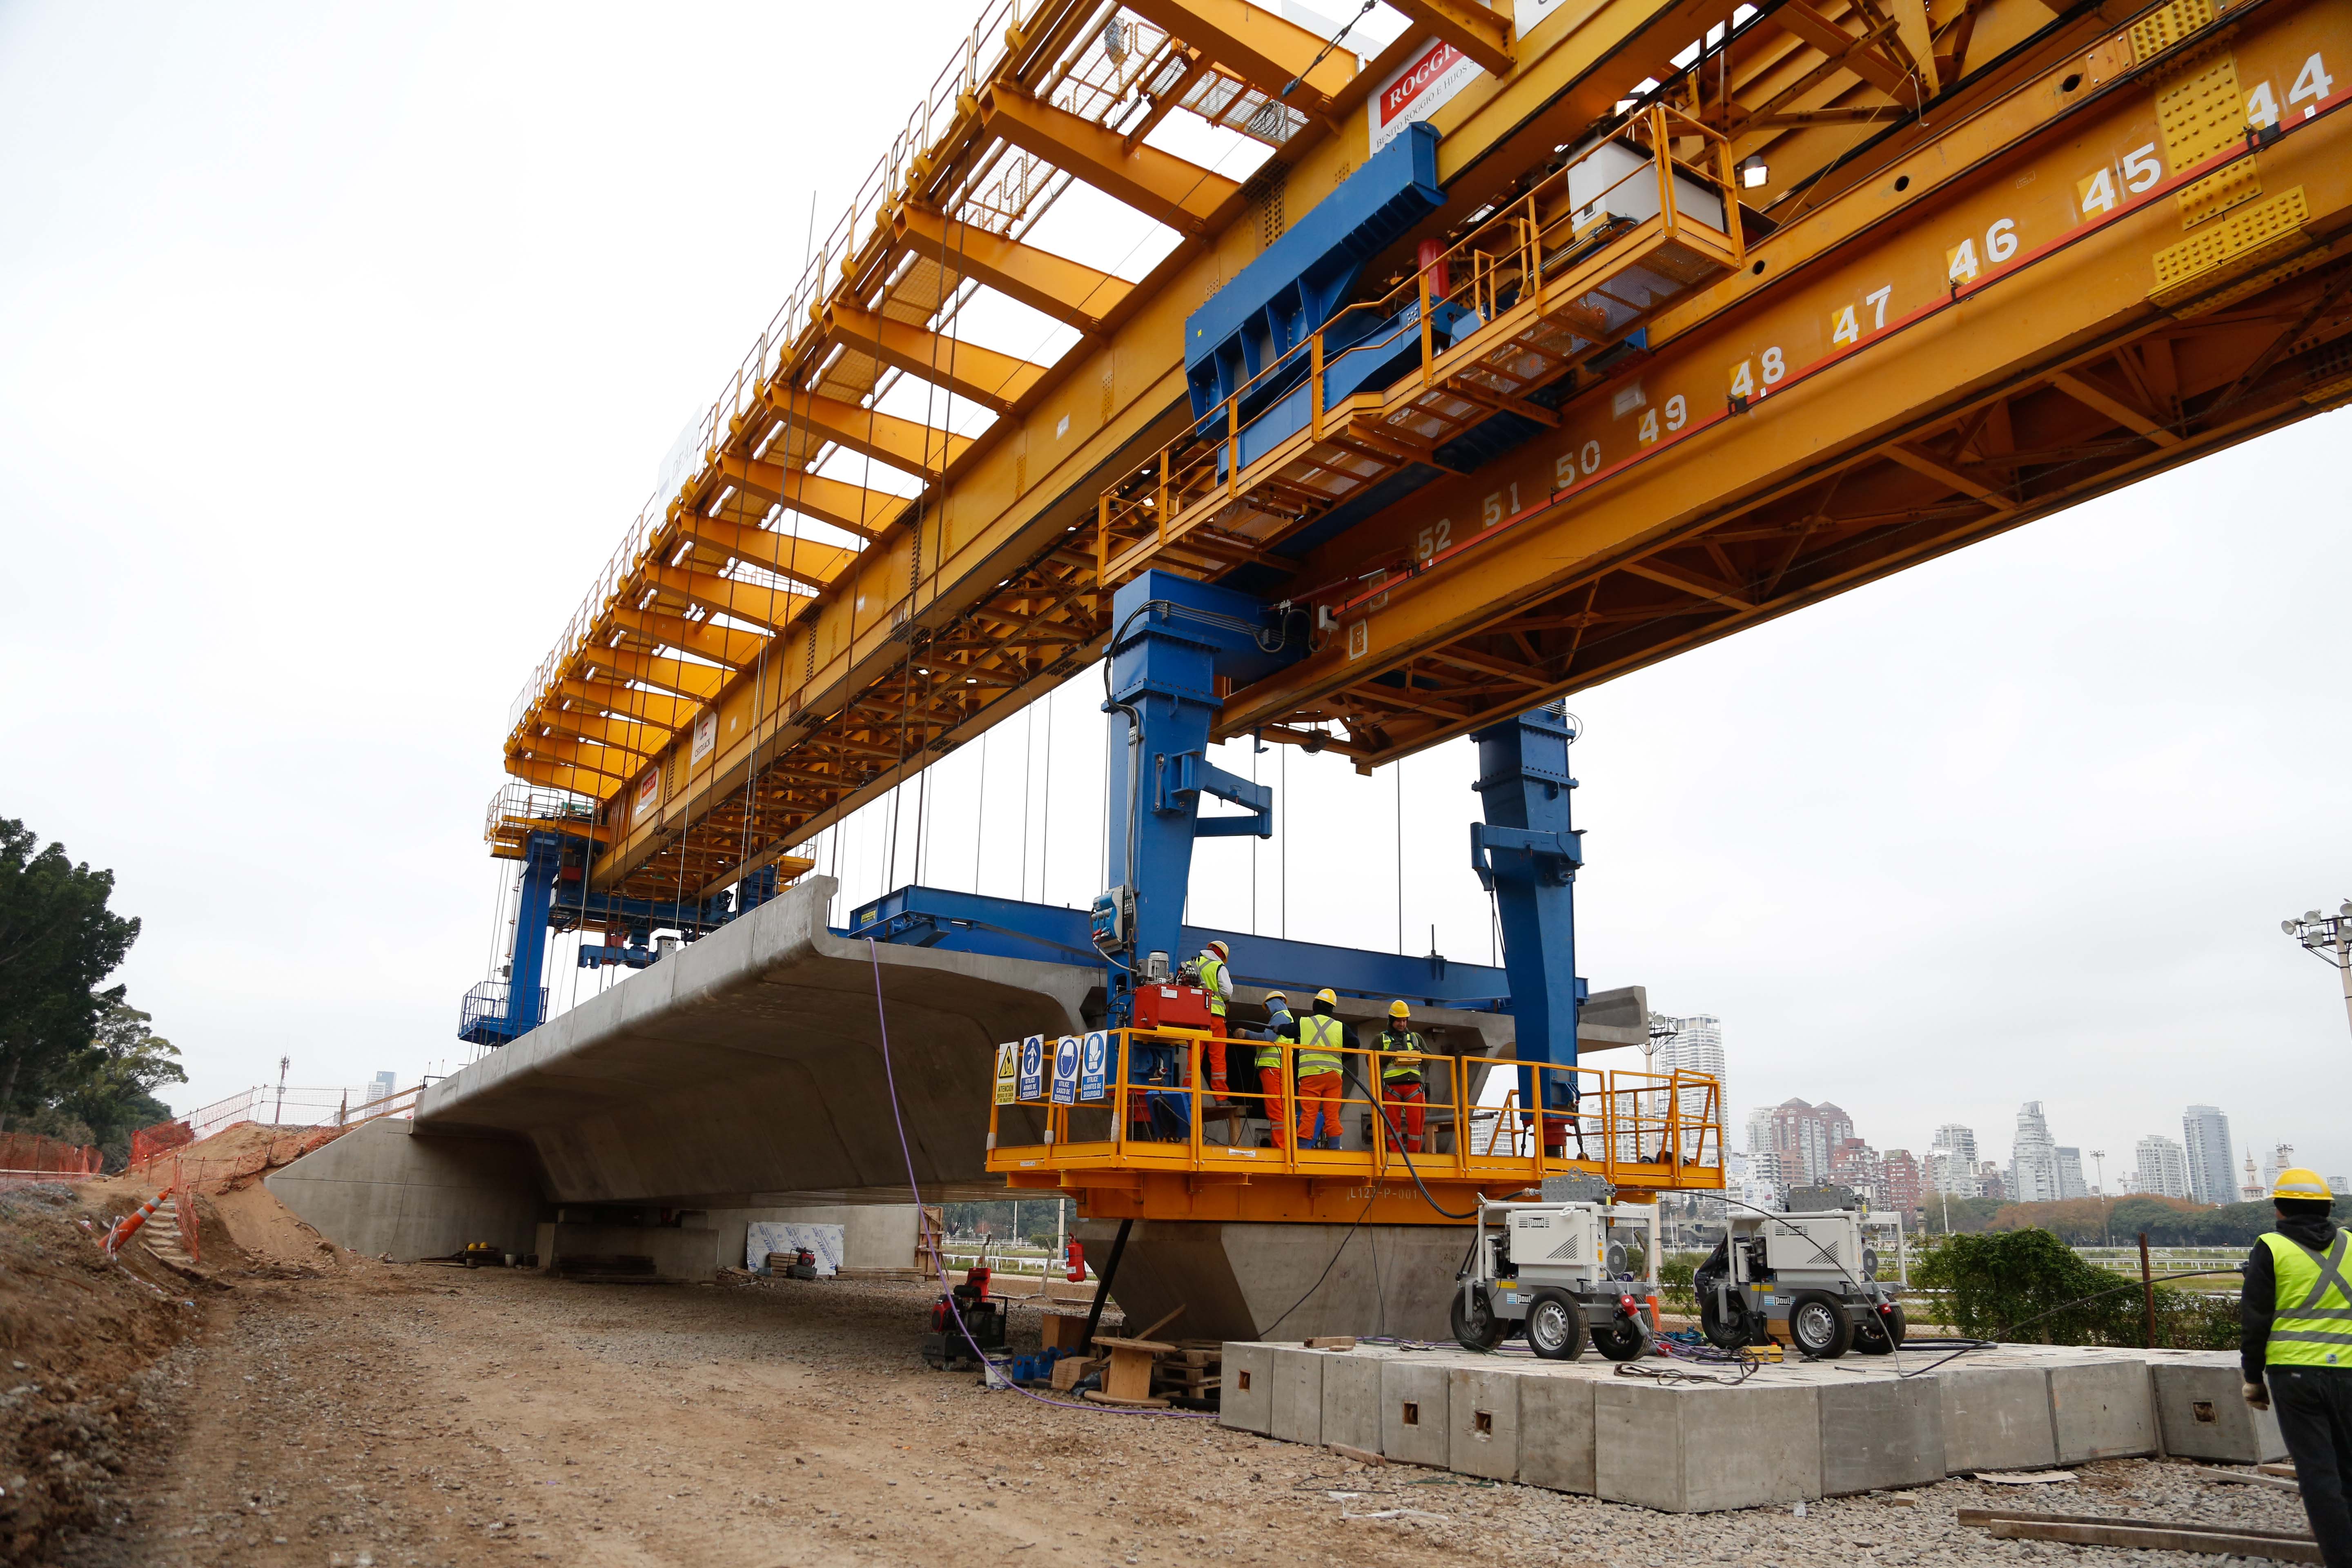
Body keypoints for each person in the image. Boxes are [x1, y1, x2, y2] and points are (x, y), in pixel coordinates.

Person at [2242, 1166, 2351, 1566]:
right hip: (2350, 1375)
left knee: (2319, 1473)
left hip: (2295, 1378)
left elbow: (2255, 1321)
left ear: (2280, 1211)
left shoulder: (2270, 1247)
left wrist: (2253, 1378)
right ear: (2328, 1209)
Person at [1294, 988, 1354, 1151]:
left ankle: (1303, 1148)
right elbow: (1355, 1044)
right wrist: (1341, 1058)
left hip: (1311, 1075)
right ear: (1332, 1009)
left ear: (1315, 1005)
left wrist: (1277, 1029)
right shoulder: (1340, 1027)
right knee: (1332, 1114)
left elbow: (1287, 1030)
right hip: (1334, 1076)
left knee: (1309, 1114)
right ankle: (1335, 1148)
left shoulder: (1305, 1022)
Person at [1376, 1000, 1428, 1154]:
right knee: (1393, 1123)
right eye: (1399, 1021)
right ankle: (1396, 1154)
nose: (1402, 1024)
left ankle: (1414, 1154)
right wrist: (1389, 1054)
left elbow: (1431, 1061)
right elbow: (1370, 1061)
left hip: (1414, 1087)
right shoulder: (1381, 1039)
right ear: (1392, 1020)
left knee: (1417, 1122)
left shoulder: (1416, 1038)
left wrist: (1422, 1054)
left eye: (1405, 1020)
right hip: (1392, 1088)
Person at [1253, 991, 1295, 1149]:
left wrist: (1246, 1034)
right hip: (1279, 1068)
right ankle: (1285, 1145)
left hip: (1273, 1068)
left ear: (1273, 1003)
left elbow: (1267, 1038)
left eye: (1268, 1008)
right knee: (1281, 1108)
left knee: (1275, 1109)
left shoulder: (1280, 1016)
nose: (1268, 1012)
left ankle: (1281, 1146)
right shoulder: (1287, 1017)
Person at [1196, 940, 1234, 1100]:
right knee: (1217, 1057)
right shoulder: (1219, 967)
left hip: (1195, 1017)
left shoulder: (1194, 963)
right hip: (1216, 1018)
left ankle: (1188, 1094)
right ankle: (1221, 1097)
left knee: (1194, 1057)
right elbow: (1227, 992)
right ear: (1222, 956)